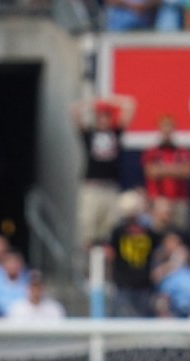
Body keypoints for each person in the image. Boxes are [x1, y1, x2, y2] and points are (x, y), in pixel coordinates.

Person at [70, 95, 135, 250]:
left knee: (108, 230)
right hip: (92, 186)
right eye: (101, 117)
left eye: (107, 117)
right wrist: (92, 102)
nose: (104, 121)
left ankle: (105, 268)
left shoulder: (115, 133)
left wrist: (111, 101)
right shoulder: (90, 135)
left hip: (110, 186)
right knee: (89, 227)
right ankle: (87, 268)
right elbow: (73, 111)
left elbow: (130, 106)